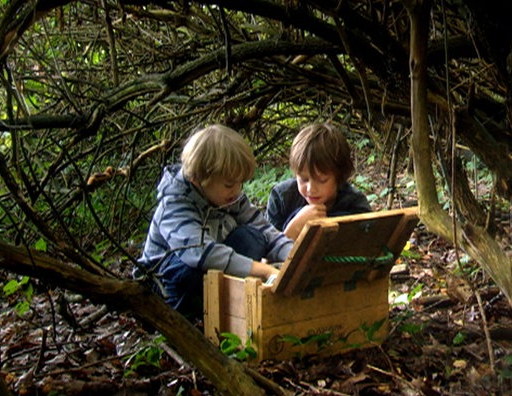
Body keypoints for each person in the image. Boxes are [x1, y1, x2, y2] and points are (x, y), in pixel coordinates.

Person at [136, 124, 292, 319]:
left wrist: (296, 257)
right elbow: (201, 253)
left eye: (239, 183)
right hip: (163, 286)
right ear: (198, 179)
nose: (236, 190)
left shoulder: (229, 197)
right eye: (229, 184)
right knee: (190, 270)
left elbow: (265, 231)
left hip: (209, 274)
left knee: (252, 237)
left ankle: (225, 309)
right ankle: (186, 317)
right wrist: (264, 271)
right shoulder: (174, 204)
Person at [266, 122, 371, 240]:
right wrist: (294, 228)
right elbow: (266, 254)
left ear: (339, 177)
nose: (311, 189)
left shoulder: (354, 204)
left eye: (322, 180)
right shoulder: (281, 198)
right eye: (304, 179)